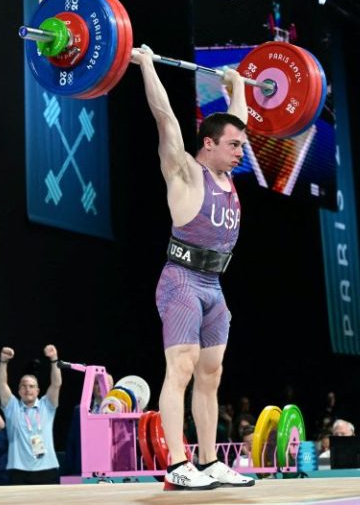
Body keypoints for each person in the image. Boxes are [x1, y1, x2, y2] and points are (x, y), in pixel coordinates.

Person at [132, 44, 252, 491]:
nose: (242, 150)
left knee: (211, 375)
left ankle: (209, 462)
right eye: (235, 145)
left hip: (214, 287)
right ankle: (178, 464)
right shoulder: (184, 171)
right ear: (208, 144)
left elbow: (234, 125)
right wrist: (146, 65)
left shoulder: (227, 175)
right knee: (179, 369)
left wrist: (235, 86)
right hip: (181, 281)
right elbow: (164, 117)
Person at [0, 344, 62, 485]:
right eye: (24, 386)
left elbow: (56, 384)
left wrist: (54, 359)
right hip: (19, 472)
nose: (28, 389)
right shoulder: (12, 407)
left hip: (47, 469)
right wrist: (3, 362)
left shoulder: (47, 406)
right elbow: (2, 384)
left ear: (38, 391)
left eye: (32, 386)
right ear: (19, 391)